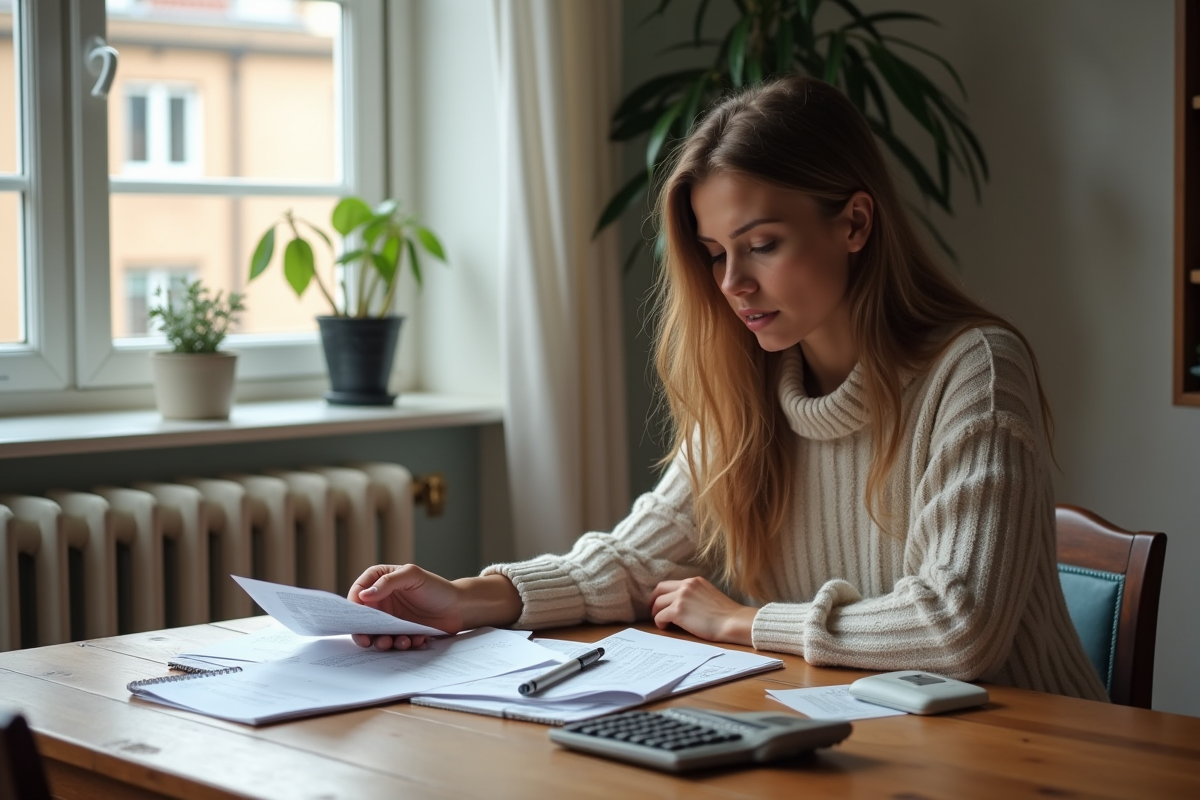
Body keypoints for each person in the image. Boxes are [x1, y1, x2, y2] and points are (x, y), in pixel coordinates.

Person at [347, 75, 1108, 702]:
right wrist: (462, 598)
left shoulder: (973, 369)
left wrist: (744, 623)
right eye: (714, 254)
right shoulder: (752, 385)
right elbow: (630, 561)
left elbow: (957, 628)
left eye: (762, 245)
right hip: (862, 742)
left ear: (854, 223)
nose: (734, 285)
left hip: (1040, 751)